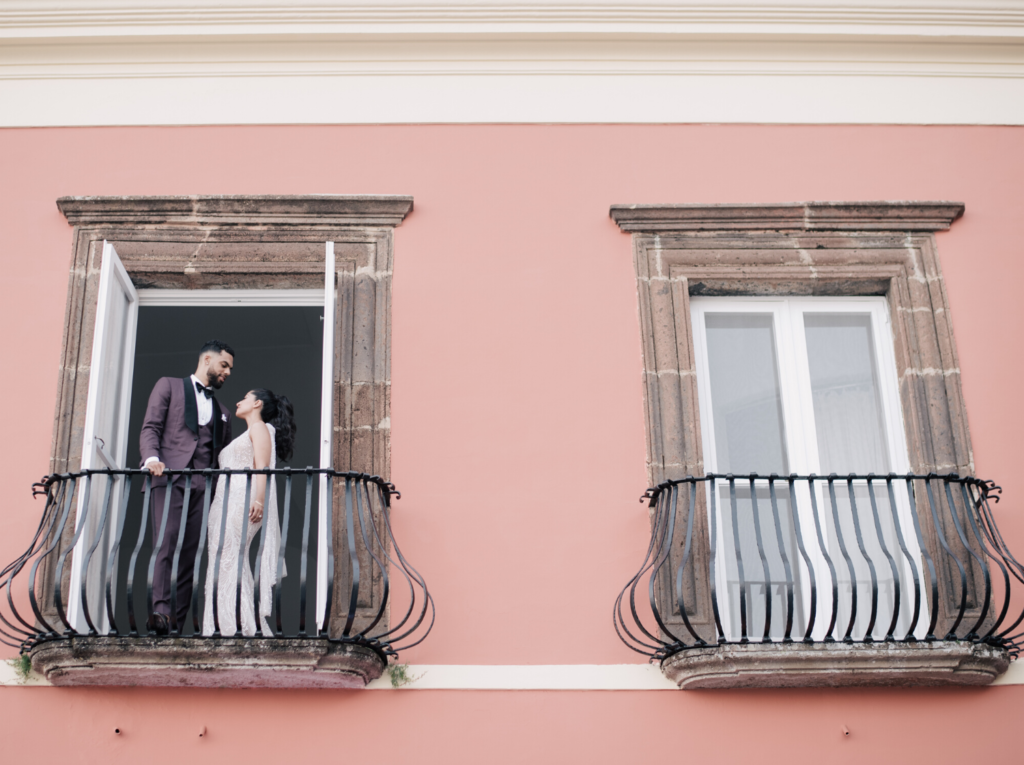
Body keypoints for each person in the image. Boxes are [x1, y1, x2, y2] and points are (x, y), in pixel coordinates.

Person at [139, 339, 235, 635]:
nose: (228, 372)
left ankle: (177, 623)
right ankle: (161, 614)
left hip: (203, 487)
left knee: (190, 554)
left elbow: (222, 453)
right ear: (207, 359)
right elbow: (151, 427)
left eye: (230, 368)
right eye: (224, 365)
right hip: (169, 479)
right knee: (166, 545)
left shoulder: (223, 411)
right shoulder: (168, 385)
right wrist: (152, 459)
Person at [202, 388, 295, 637]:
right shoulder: (249, 431)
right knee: (223, 560)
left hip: (242, 500)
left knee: (229, 559)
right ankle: (226, 623)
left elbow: (262, 467)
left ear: (257, 404)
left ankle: (239, 627)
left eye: (244, 397)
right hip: (225, 501)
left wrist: (259, 501)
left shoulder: (259, 428)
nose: (239, 400)